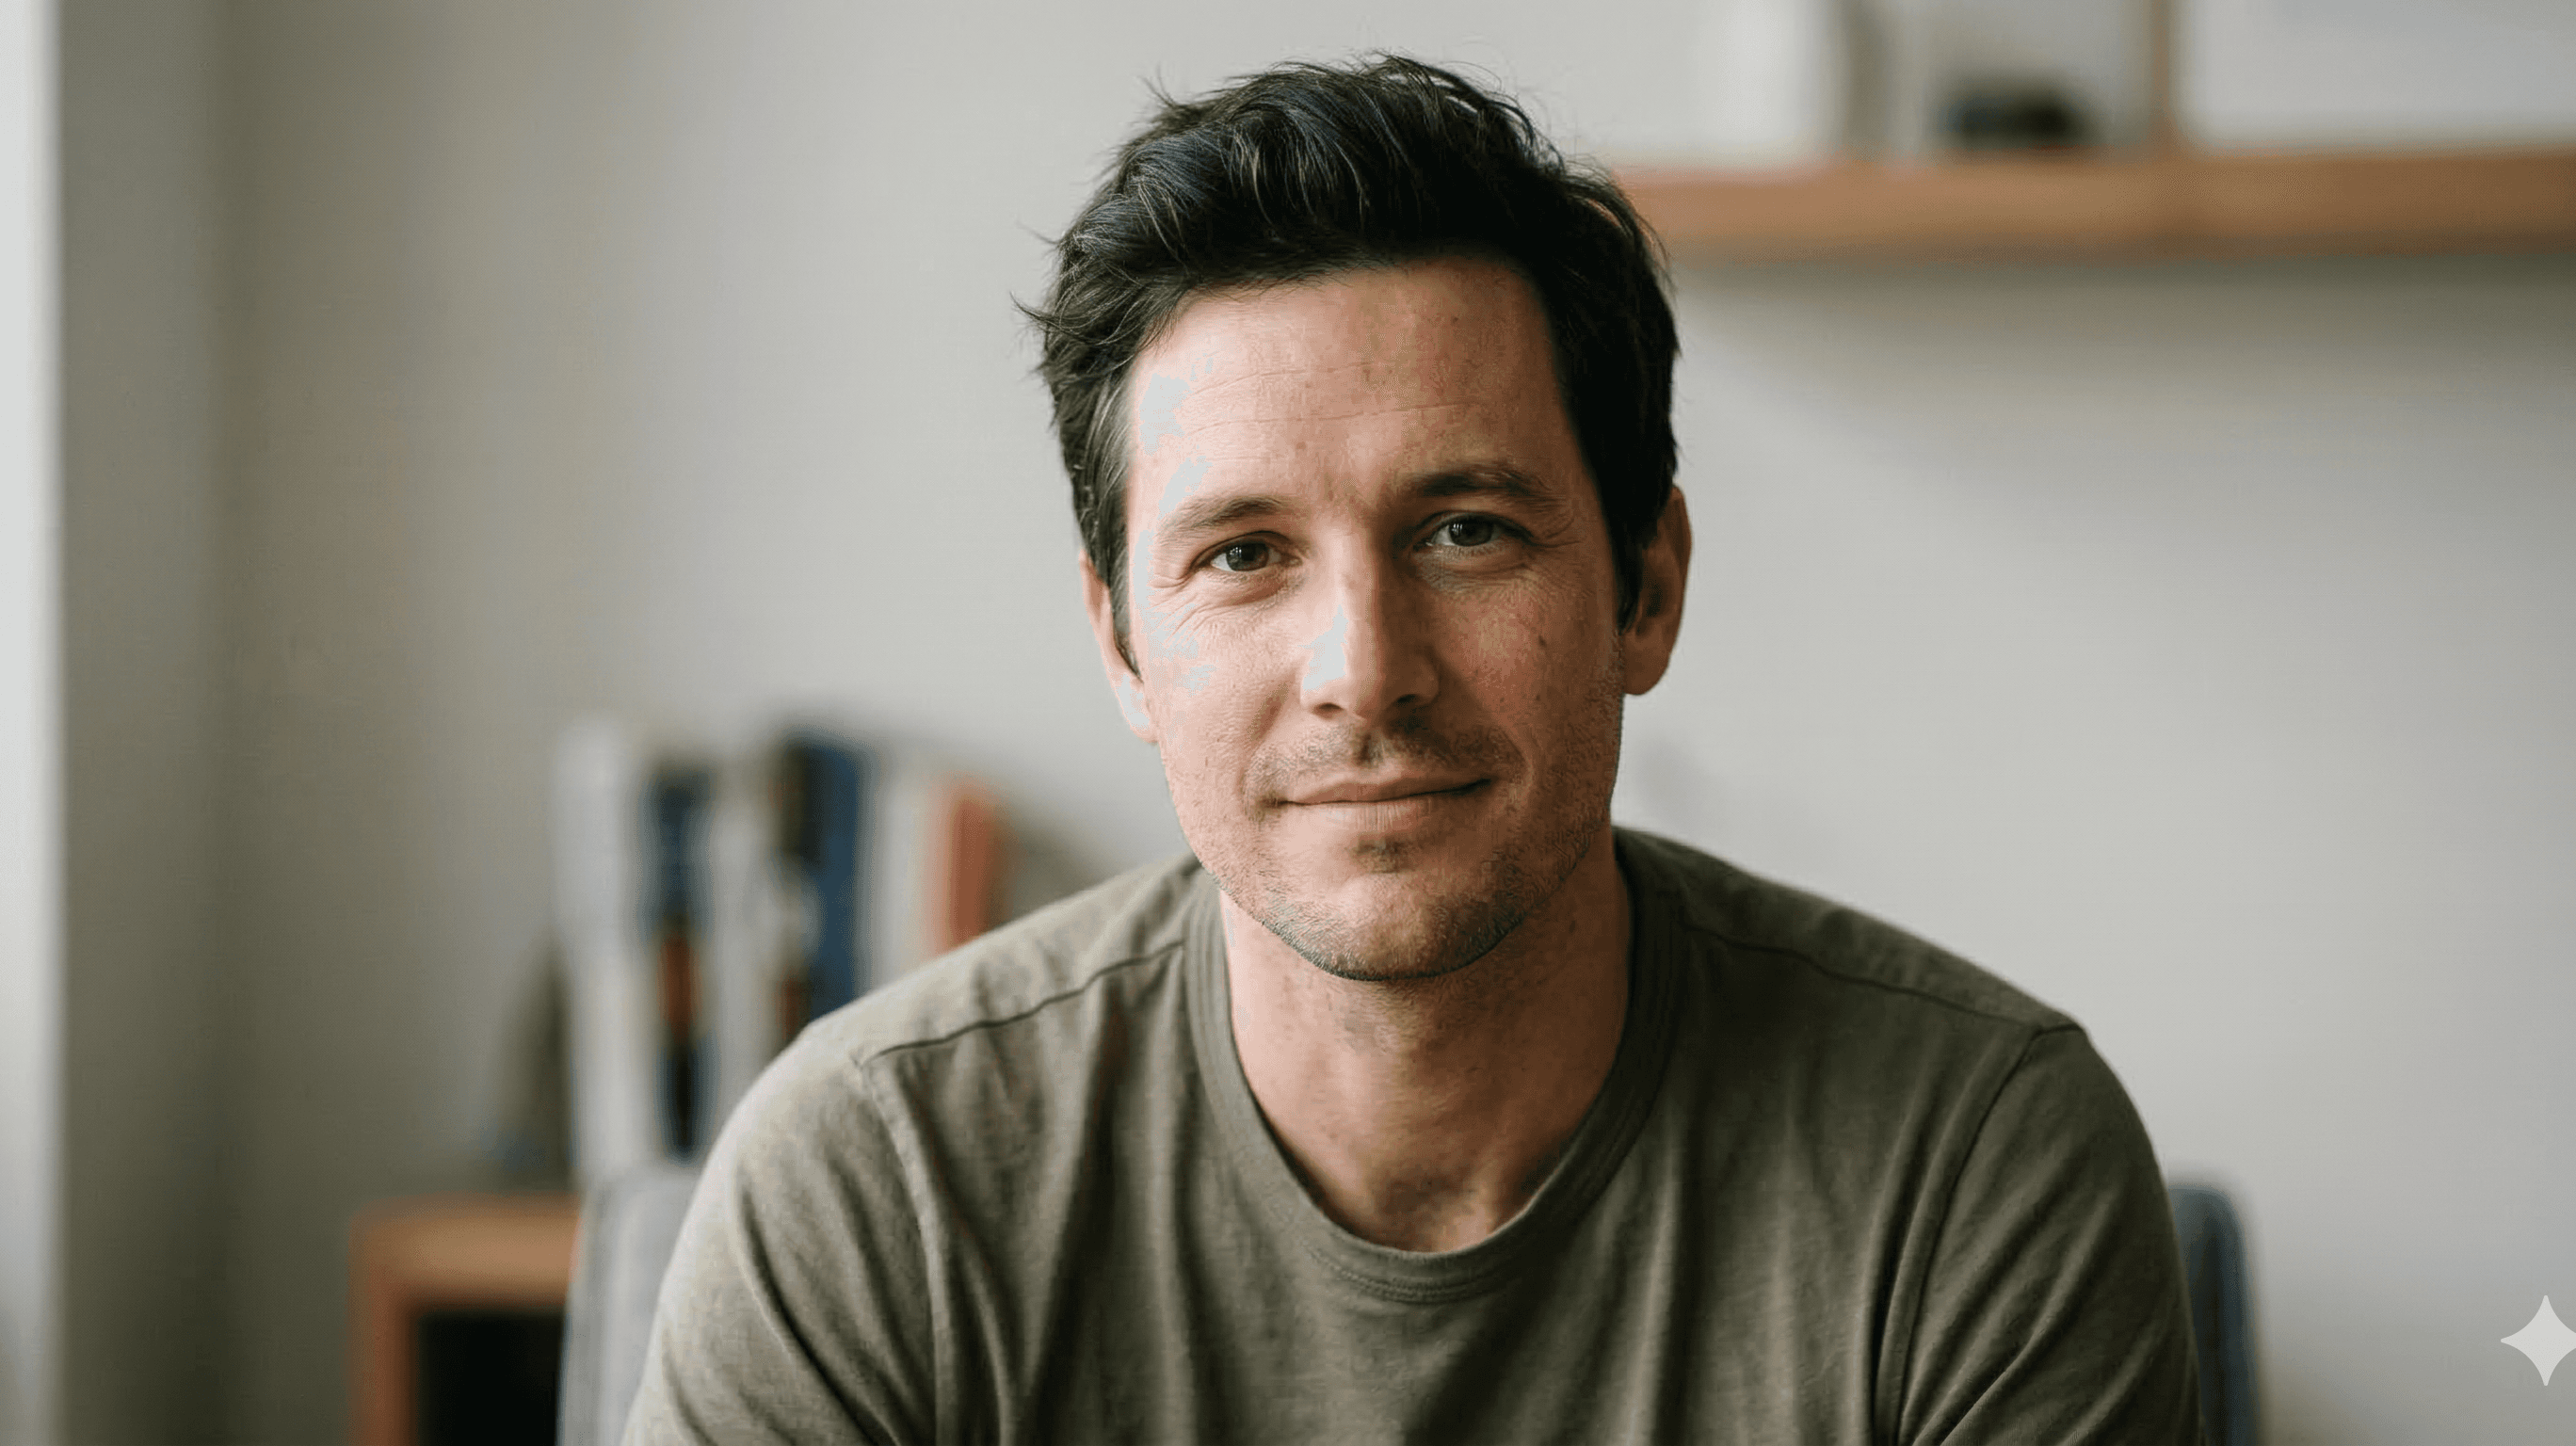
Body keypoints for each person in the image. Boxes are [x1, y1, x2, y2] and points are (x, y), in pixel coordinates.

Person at [629, 56, 2205, 1444]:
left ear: (1643, 593)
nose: (1363, 673)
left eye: (1465, 530)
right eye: (1244, 554)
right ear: (1123, 643)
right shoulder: (875, 1181)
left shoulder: (1976, 1162)